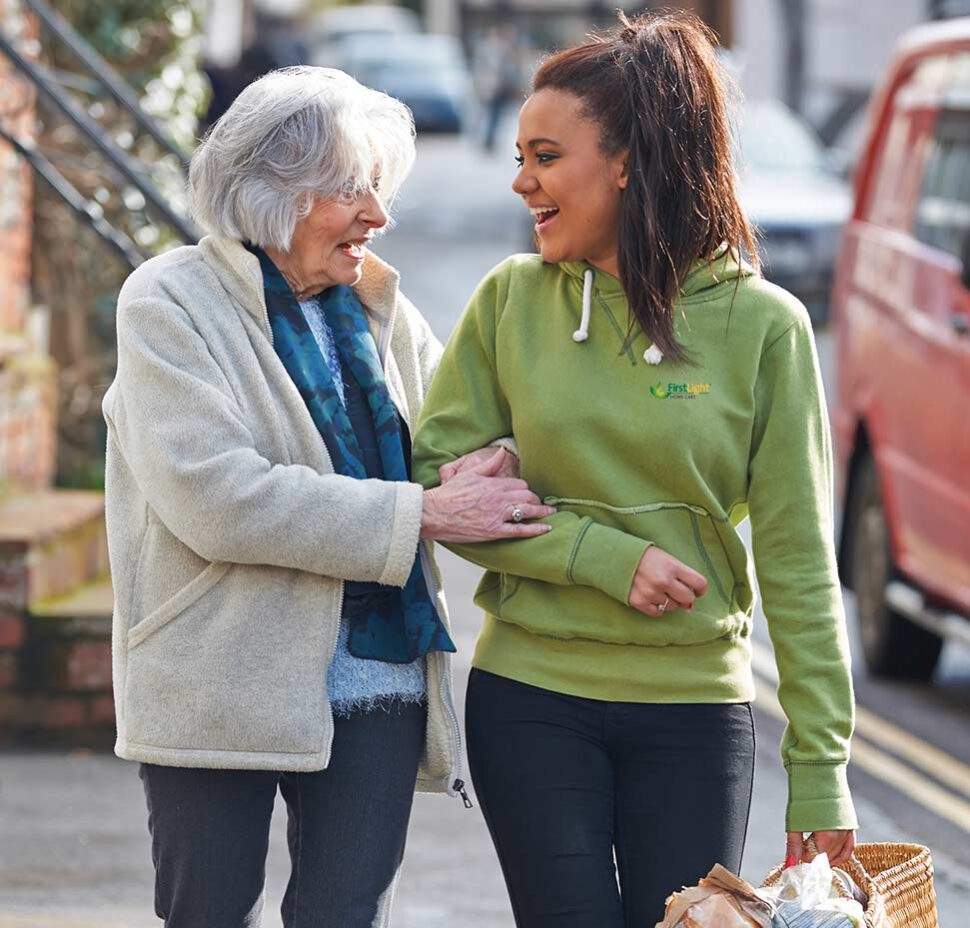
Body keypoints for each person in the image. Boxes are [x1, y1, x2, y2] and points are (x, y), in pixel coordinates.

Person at [412, 12, 858, 927]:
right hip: (532, 698)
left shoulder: (765, 328)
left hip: (694, 713)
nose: (521, 179)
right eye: (521, 155)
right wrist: (605, 558)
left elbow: (800, 560)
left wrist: (821, 773)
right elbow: (436, 486)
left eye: (546, 155)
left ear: (625, 162)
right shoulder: (510, 302)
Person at [101, 66, 552, 928]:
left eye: (379, 190)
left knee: (347, 915)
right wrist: (420, 511)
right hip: (218, 678)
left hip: (379, 680)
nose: (378, 217)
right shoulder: (167, 303)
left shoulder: (378, 301)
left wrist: (476, 466)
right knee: (209, 912)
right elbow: (217, 496)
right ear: (272, 192)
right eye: (351, 190)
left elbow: (454, 435)